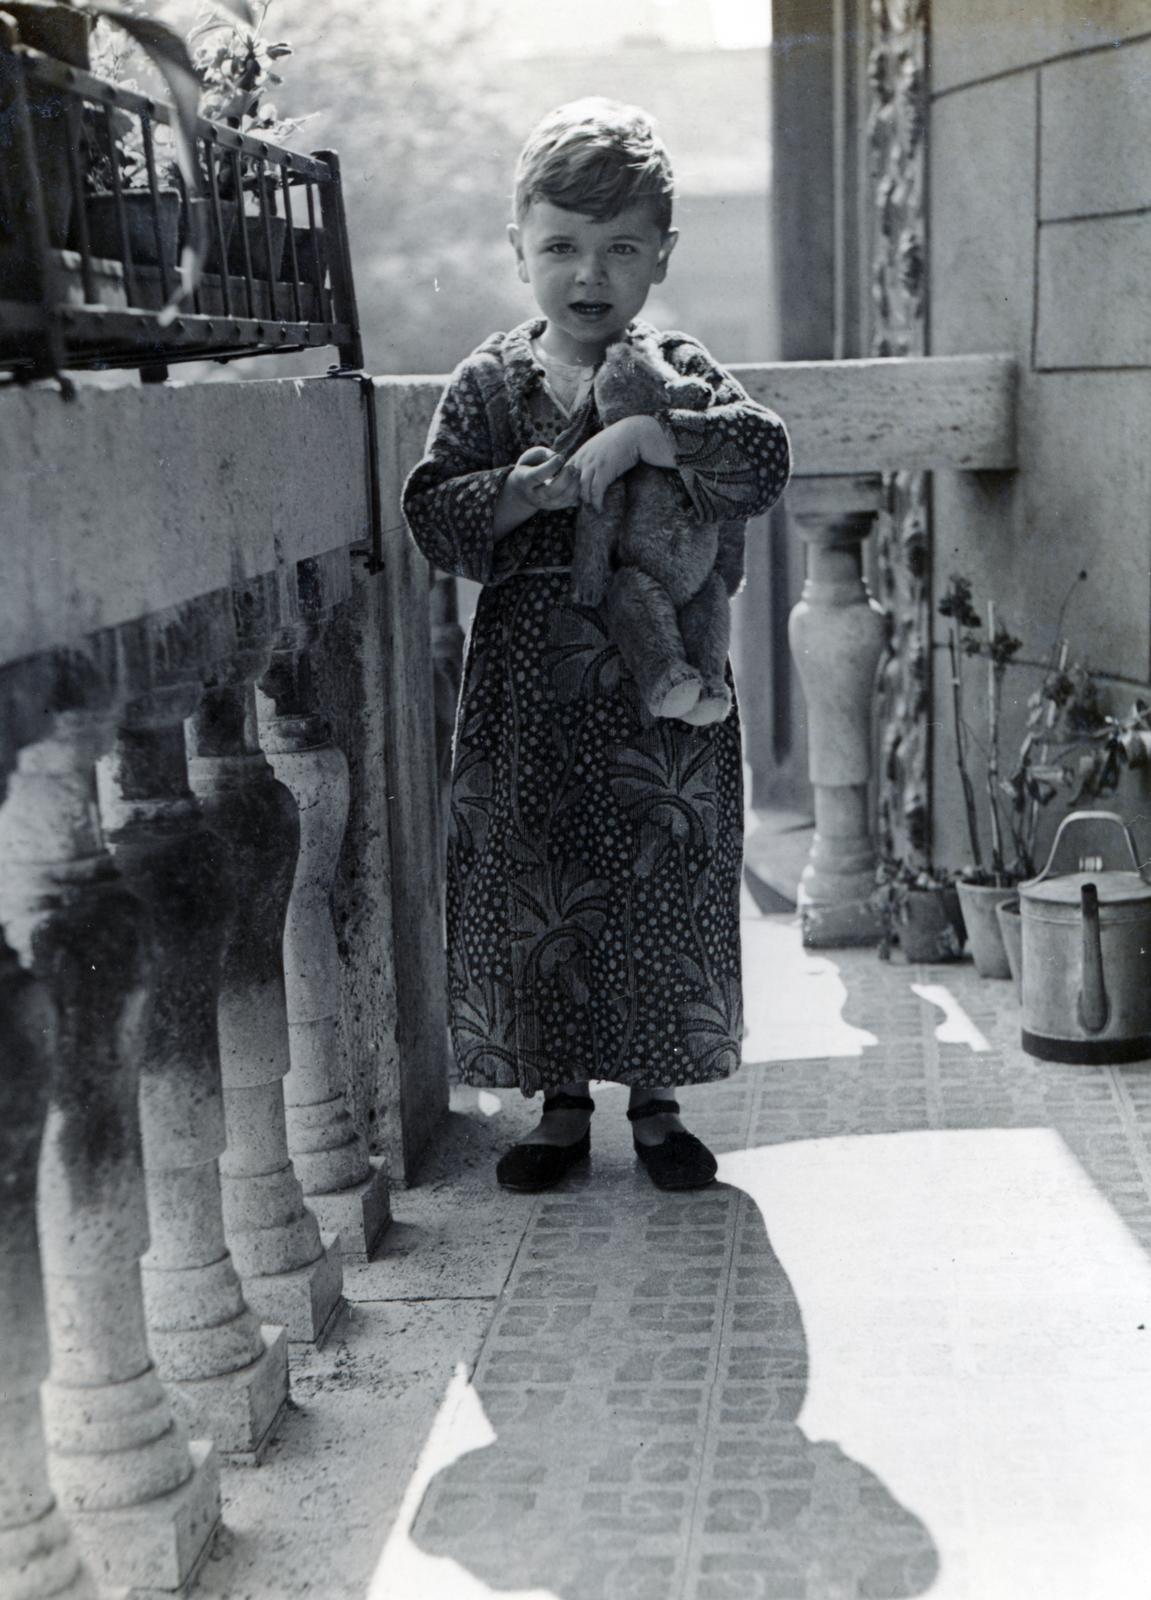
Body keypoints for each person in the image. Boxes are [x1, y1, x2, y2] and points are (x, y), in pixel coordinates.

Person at [402, 98, 790, 1193]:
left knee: (658, 875)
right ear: (517, 249)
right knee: (539, 879)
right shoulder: (488, 381)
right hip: (529, 691)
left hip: (656, 690)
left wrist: (648, 434)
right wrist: (511, 497)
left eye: (620, 248)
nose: (588, 273)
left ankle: (657, 1104)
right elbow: (431, 513)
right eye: (560, 247)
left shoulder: (674, 365)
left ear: (659, 255)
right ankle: (558, 1101)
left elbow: (760, 463)